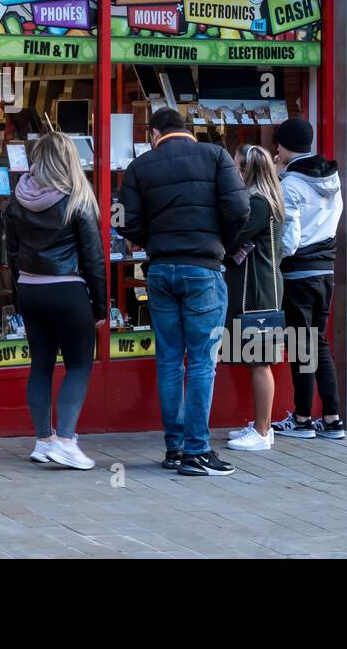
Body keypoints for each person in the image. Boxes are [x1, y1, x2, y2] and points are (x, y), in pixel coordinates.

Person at [120, 108, 249, 476]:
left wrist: (153, 241)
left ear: (155, 132)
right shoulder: (216, 156)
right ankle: (196, 450)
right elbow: (239, 207)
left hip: (160, 270)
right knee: (202, 362)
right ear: (186, 129)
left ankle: (175, 448)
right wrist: (221, 241)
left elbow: (124, 219)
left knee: (169, 360)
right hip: (203, 269)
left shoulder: (142, 165)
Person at [4, 132, 106, 470]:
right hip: (67, 290)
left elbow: (12, 251)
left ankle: (43, 440)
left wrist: (19, 294)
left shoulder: (18, 197)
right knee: (78, 365)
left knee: (41, 366)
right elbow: (93, 259)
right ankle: (65, 440)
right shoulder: (77, 198)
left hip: (31, 289)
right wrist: (101, 305)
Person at [270, 117, 345, 439]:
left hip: (299, 274)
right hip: (325, 271)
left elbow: (290, 239)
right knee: (319, 344)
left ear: (285, 146)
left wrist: (274, 259)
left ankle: (302, 419)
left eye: (278, 144)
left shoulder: (292, 185)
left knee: (301, 347)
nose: (275, 149)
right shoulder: (332, 177)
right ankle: (331, 419)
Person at [220, 144, 284, 452]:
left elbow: (232, 240)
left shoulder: (258, 204)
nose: (233, 172)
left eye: (236, 167)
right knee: (254, 360)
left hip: (257, 293)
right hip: (253, 289)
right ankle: (261, 425)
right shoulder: (262, 201)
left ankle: (262, 431)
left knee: (259, 362)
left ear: (247, 171)